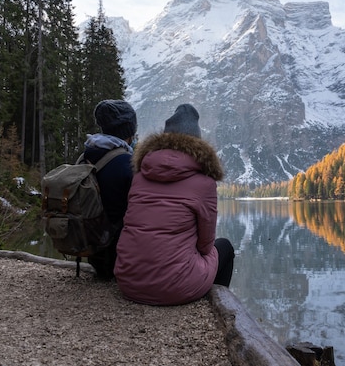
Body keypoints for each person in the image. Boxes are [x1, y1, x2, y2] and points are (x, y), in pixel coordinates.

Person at [115, 104, 235, 305]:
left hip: (129, 282)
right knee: (224, 247)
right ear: (197, 144)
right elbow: (205, 245)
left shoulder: (140, 176)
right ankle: (217, 308)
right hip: (174, 288)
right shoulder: (204, 183)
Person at [82, 99, 137, 280]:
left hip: (93, 251)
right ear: (129, 131)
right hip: (120, 255)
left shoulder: (86, 155)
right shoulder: (127, 164)